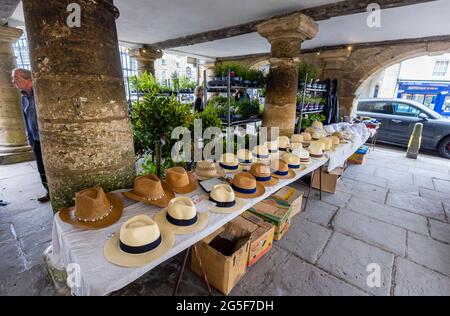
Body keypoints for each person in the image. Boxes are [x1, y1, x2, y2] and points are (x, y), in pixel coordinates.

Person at [11, 68, 49, 203]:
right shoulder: (24, 97)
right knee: (41, 167)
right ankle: (49, 191)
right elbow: (26, 118)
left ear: (28, 79)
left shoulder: (41, 93)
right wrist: (29, 137)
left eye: (15, 79)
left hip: (48, 140)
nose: (13, 81)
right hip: (36, 139)